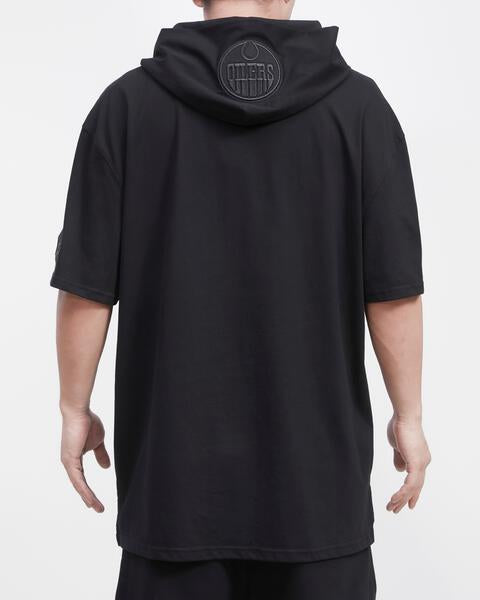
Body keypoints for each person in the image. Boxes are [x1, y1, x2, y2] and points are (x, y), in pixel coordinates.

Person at [51, 0, 431, 598]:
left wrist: (75, 408)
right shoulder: (361, 109)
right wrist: (408, 417)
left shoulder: (126, 107)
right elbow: (392, 290)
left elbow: (86, 284)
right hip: (318, 496)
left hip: (173, 494)